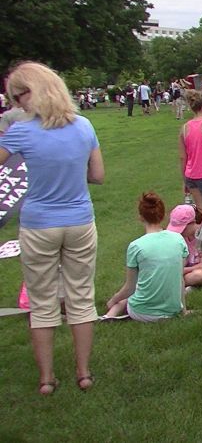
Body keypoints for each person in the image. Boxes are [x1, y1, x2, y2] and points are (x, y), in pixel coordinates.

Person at [0, 61, 105, 395]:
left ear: (31, 92)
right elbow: (97, 175)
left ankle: (46, 379)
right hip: (79, 221)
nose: (16, 105)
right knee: (81, 298)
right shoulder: (84, 126)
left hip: (38, 224)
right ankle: (84, 373)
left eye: (17, 97)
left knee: (42, 302)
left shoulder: (20, 132)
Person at [102, 192, 189, 322]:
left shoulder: (136, 246)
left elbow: (129, 288)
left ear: (141, 217)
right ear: (163, 215)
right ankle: (111, 316)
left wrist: (113, 300)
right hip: (173, 310)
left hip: (143, 312)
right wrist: (183, 310)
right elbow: (179, 278)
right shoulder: (178, 239)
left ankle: (109, 315)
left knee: (130, 293)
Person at [166, 204, 202, 288]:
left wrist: (185, 270)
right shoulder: (180, 238)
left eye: (182, 228)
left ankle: (178, 284)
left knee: (198, 275)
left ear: (193, 222)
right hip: (187, 270)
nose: (180, 232)